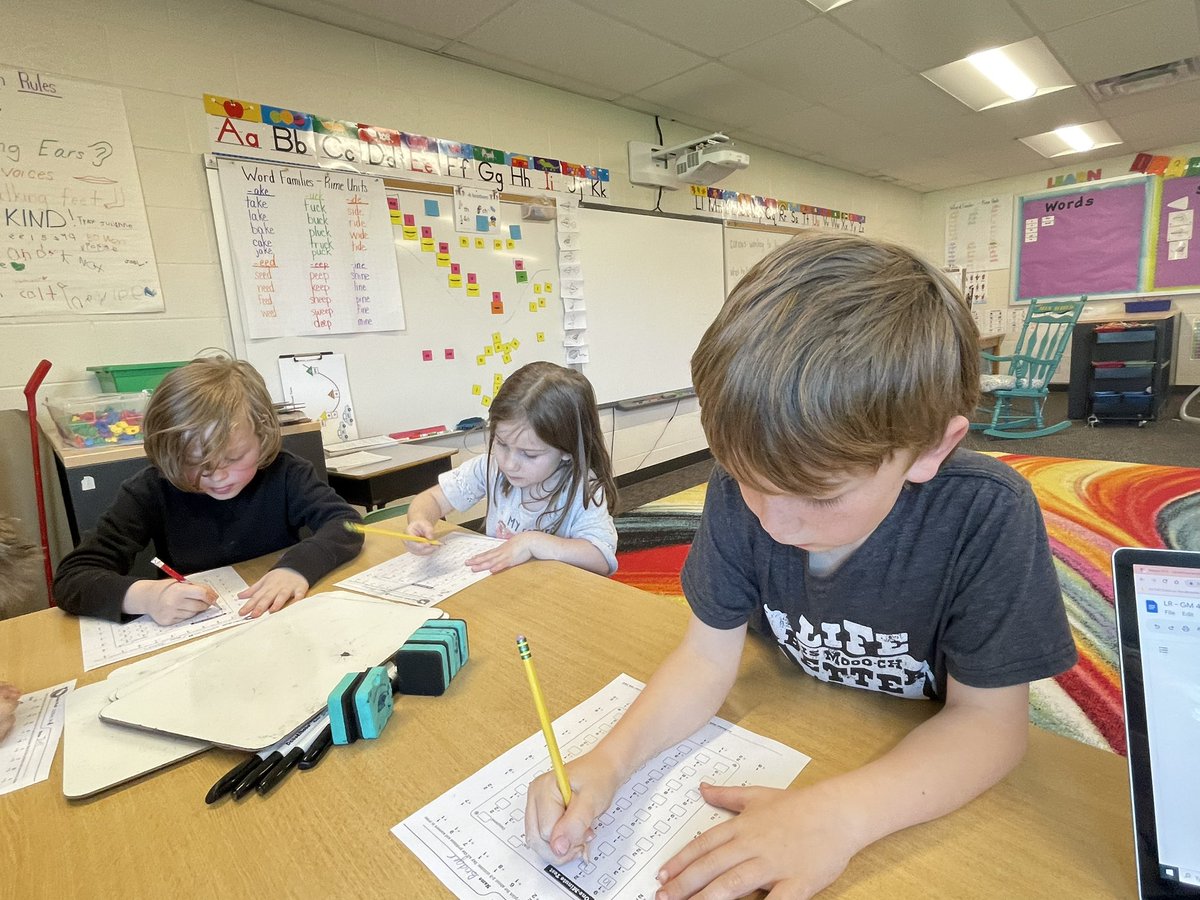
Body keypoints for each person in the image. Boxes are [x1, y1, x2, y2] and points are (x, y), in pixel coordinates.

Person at [524, 232, 1077, 898]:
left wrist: (839, 817)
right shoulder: (740, 494)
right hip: (802, 717)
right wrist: (612, 760)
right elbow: (705, 659)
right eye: (744, 479)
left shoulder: (986, 514)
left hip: (917, 760)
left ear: (931, 448)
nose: (774, 523)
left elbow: (989, 724)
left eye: (819, 496)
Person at [53, 358, 363, 625]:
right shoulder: (149, 490)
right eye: (194, 462)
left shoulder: (286, 473)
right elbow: (73, 578)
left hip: (278, 619)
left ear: (262, 434)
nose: (217, 475)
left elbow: (346, 523)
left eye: (233, 458)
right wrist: (147, 597)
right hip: (194, 631)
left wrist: (298, 568)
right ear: (167, 451)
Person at [405, 361, 618, 576]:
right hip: (505, 587)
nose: (509, 463)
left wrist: (532, 541)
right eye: (502, 444)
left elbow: (602, 558)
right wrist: (420, 520)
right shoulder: (491, 468)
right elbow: (432, 499)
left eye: (529, 454)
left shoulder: (583, 487)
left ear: (566, 450)